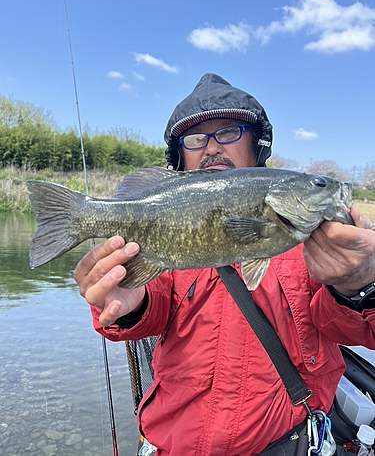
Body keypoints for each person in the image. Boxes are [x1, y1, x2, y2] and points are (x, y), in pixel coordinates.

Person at [74, 73, 375, 455]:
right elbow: (149, 308)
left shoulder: (321, 239)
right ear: (182, 157)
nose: (211, 148)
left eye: (229, 132)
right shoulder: (166, 229)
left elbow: (358, 329)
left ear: (256, 148)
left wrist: (360, 285)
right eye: (196, 139)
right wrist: (128, 307)